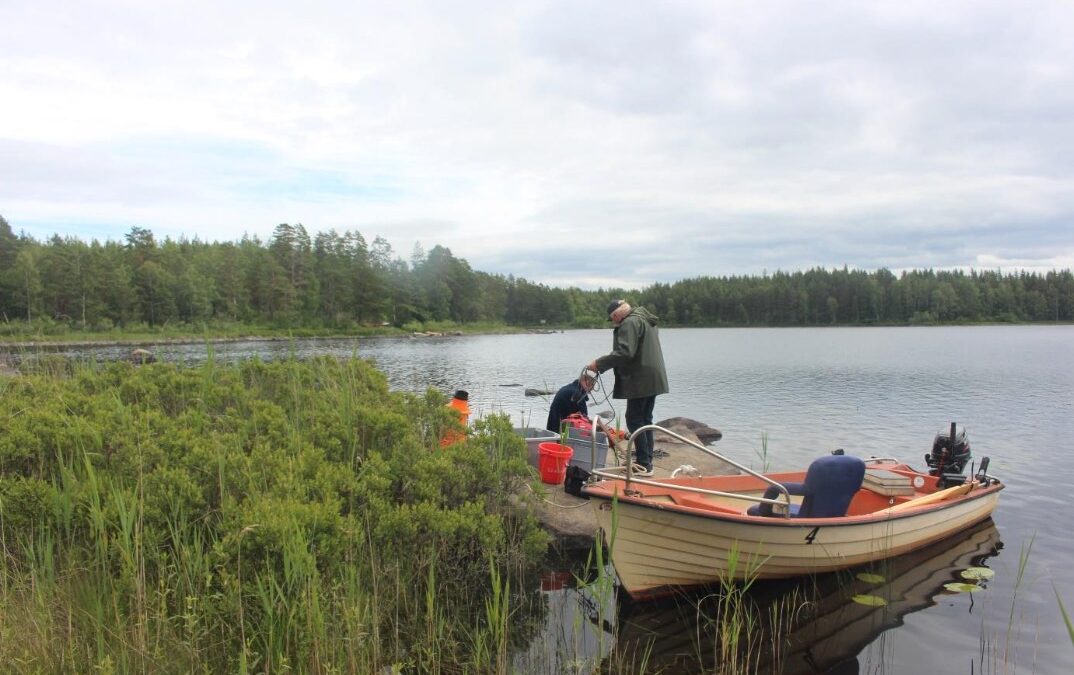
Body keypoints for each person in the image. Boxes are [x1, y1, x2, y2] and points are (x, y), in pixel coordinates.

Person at [588, 300, 668, 476]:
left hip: (641, 378)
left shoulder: (630, 322)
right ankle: (646, 461)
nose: (614, 322)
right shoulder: (645, 319)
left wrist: (598, 364)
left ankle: (643, 464)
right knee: (645, 419)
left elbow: (625, 352)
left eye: (613, 319)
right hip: (653, 376)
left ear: (616, 315)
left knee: (634, 419)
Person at [546, 369, 597, 433]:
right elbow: (584, 419)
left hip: (552, 427)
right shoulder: (578, 395)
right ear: (586, 382)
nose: (592, 388)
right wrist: (597, 426)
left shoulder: (569, 388)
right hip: (560, 430)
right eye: (592, 385)